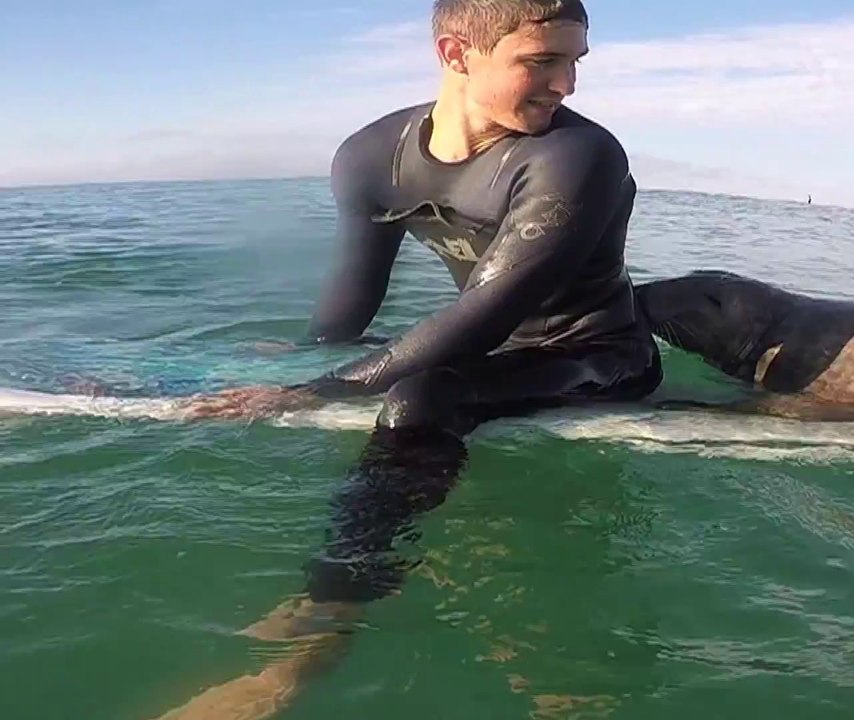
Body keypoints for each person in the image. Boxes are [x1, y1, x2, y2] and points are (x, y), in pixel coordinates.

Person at [158, 1, 661, 717]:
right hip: (488, 352)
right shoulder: (372, 158)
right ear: (458, 53)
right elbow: (347, 313)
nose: (566, 85)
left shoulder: (578, 158)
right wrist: (297, 364)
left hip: (596, 356)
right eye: (542, 61)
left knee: (422, 398)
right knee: (396, 377)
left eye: (574, 62)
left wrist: (318, 393)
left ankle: (322, 630)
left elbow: (484, 317)